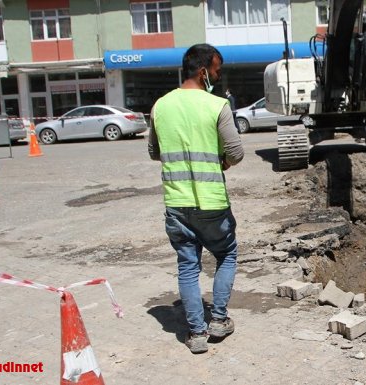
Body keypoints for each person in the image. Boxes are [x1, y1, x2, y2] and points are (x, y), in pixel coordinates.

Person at [147, 43, 244, 354]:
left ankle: (196, 334)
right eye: (216, 70)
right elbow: (236, 153)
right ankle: (218, 319)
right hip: (212, 204)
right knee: (226, 255)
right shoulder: (217, 106)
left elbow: (154, 152)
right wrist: (222, 161)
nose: (218, 75)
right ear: (203, 71)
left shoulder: (160, 106)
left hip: (177, 204)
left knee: (188, 266)